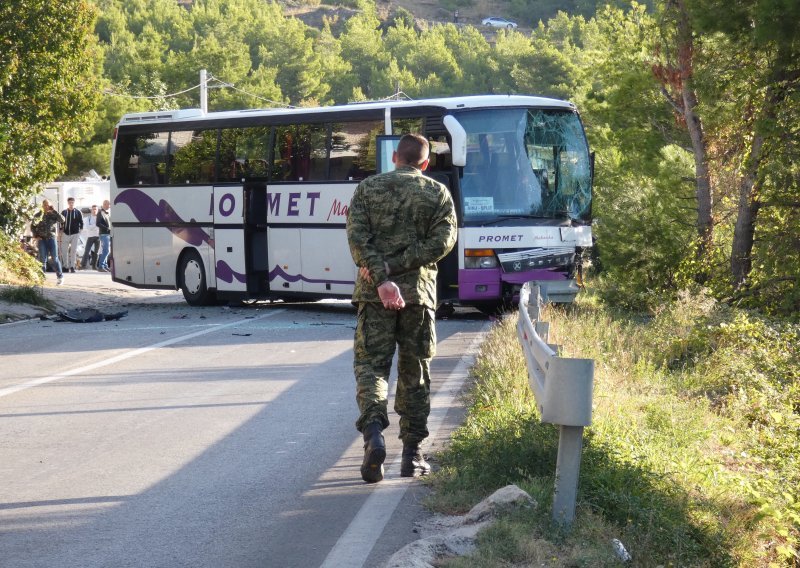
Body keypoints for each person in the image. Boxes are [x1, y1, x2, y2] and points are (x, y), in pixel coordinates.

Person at [346, 133, 457, 483]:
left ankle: (374, 433)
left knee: (371, 367)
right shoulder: (437, 193)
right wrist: (399, 268)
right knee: (415, 372)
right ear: (425, 163)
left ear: (394, 156)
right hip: (417, 297)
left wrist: (381, 277)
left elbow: (357, 239)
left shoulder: (367, 188)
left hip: (374, 294)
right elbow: (443, 242)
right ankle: (412, 455)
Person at [31, 199, 65, 285]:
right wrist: (36, 235)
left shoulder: (53, 214)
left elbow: (62, 220)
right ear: (42, 206)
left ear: (50, 205)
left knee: (55, 258)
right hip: (42, 239)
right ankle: (42, 278)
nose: (46, 206)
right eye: (44, 205)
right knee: (42, 259)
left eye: (48, 205)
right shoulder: (38, 215)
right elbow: (33, 226)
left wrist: (54, 211)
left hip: (51, 238)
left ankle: (60, 277)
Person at [59, 197, 84, 273]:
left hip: (75, 234)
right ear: (68, 203)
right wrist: (61, 231)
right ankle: (65, 266)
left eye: (72, 202)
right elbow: (61, 223)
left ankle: (72, 266)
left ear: (74, 203)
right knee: (64, 251)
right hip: (65, 233)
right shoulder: (64, 212)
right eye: (70, 202)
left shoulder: (78, 212)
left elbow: (81, 223)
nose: (71, 204)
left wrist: (79, 232)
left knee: (73, 251)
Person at [80, 204, 100, 270]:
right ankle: (83, 265)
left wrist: (92, 226)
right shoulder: (87, 218)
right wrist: (96, 225)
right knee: (87, 251)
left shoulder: (99, 218)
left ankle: (94, 266)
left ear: (97, 210)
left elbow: (99, 227)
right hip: (90, 236)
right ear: (91, 210)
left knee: (96, 252)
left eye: (95, 209)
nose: (94, 211)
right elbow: (88, 227)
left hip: (98, 236)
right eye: (93, 209)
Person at [96, 199, 112, 272]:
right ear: (105, 204)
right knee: (106, 250)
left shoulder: (106, 213)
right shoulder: (100, 212)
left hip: (107, 234)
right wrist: (107, 228)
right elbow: (98, 223)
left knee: (106, 250)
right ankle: (101, 266)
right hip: (104, 234)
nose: (110, 206)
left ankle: (105, 265)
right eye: (109, 204)